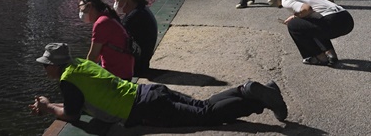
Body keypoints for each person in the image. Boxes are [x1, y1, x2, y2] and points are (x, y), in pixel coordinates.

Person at [30, 43, 287, 127]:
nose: (44, 68)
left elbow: (72, 113)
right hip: (146, 91)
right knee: (202, 105)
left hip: (141, 108)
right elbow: (81, 101)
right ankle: (246, 90)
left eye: (46, 64)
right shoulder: (79, 65)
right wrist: (52, 104)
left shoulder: (68, 80)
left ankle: (257, 101)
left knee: (206, 116)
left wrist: (48, 107)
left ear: (56, 65)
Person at [266, 0, 353, 66]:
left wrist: (295, 17)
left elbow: (307, 9)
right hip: (347, 19)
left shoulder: (286, 0)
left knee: (293, 25)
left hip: (332, 22)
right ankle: (331, 55)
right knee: (311, 22)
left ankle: (319, 57)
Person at [79, 0, 134, 80]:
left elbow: (92, 57)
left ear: (90, 7)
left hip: (117, 75)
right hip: (125, 71)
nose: (81, 14)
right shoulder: (108, 17)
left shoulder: (101, 23)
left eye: (83, 11)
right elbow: (97, 57)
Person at [109, 0, 157, 76]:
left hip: (136, 66)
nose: (115, 3)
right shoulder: (141, 9)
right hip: (142, 63)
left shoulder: (134, 17)